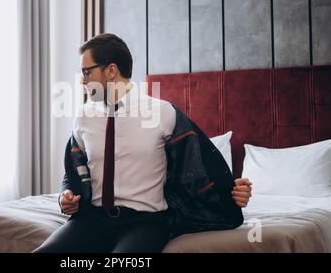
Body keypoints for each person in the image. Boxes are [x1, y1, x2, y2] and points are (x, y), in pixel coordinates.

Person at [33, 33, 252, 253]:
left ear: (110, 70)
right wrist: (65, 196)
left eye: (86, 71)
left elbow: (199, 162)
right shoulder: (83, 117)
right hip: (92, 220)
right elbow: (73, 170)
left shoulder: (163, 113)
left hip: (145, 223)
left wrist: (230, 192)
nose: (82, 80)